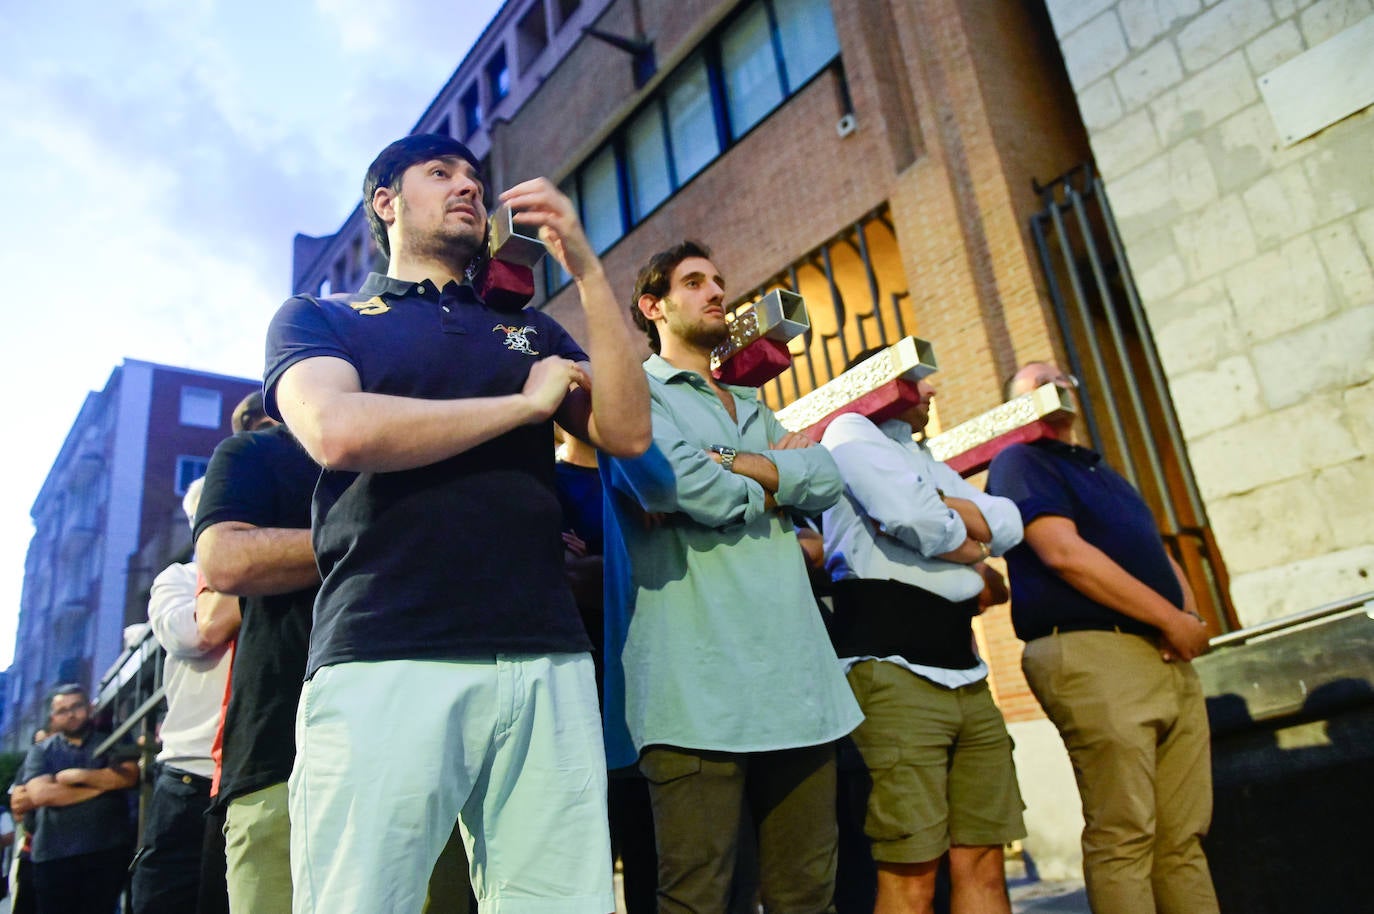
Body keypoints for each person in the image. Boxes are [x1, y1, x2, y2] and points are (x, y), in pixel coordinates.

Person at [262, 133, 651, 913]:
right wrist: (522, 408)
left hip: (544, 655)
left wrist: (588, 269)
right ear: (386, 201)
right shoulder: (321, 317)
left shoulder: (532, 331)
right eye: (439, 174)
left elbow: (629, 432)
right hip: (386, 650)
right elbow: (338, 430)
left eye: (475, 176)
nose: (467, 186)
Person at [603, 239, 862, 914]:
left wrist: (728, 462)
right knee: (699, 899)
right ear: (652, 306)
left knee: (809, 896)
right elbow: (695, 492)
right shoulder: (635, 396)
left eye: (720, 280)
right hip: (697, 694)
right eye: (695, 282)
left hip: (801, 687)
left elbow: (831, 478)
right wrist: (776, 477)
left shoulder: (750, 403)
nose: (718, 292)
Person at [986, 362, 1218, 914]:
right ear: (1015, 407)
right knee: (1125, 833)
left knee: (1183, 839)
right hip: (1093, 649)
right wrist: (1169, 618)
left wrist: (1187, 619)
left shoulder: (1103, 472)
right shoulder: (1021, 461)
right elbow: (1062, 552)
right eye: (1037, 384)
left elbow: (1156, 551)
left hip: (1162, 652)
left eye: (1061, 378)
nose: (1055, 386)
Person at [820, 349, 1026, 914]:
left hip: (966, 672)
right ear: (883, 385)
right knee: (911, 874)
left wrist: (957, 525)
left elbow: (1009, 521)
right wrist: (970, 540)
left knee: (984, 860)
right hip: (893, 671)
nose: (930, 392)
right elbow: (907, 516)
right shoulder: (848, 431)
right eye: (917, 380)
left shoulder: (926, 460)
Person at [194, 395, 320, 914]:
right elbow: (224, 569)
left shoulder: (419, 449)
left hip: (416, 742)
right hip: (276, 745)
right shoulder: (251, 454)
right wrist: (379, 538)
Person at [131, 477, 234, 914]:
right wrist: (245, 561)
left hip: (259, 773)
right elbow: (198, 631)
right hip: (189, 776)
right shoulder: (177, 579)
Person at [19, 684, 138, 914]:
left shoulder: (113, 740)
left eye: (76, 706)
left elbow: (128, 776)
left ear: (90, 708)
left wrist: (77, 777)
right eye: (62, 710)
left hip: (106, 851)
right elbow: (41, 794)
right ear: (53, 716)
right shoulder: (41, 750)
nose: (70, 714)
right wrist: (100, 786)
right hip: (53, 855)